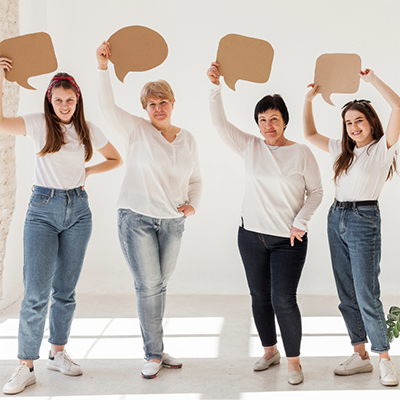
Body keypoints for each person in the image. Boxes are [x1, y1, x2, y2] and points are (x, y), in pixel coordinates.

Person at [0, 58, 122, 395]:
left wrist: (89, 173)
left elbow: (115, 159)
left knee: (65, 291)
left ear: (77, 100)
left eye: (70, 100)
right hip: (42, 210)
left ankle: (57, 352)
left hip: (79, 212)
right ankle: (26, 365)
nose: (64, 106)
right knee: (36, 293)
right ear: (49, 101)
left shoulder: (87, 129)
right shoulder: (38, 124)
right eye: (58, 100)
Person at [207, 62, 323, 385]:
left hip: (288, 240)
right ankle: (270, 350)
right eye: (262, 120)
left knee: (283, 299)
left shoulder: (301, 153)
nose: (268, 125)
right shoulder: (250, 146)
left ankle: (294, 362)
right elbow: (219, 123)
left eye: (273, 118)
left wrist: (301, 222)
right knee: (259, 297)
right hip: (251, 236)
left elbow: (316, 191)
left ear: (284, 120)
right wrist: (215, 87)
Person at [96, 41, 202, 379]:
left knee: (160, 285)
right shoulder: (137, 131)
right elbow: (106, 105)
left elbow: (196, 178)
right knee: (148, 285)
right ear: (145, 108)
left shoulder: (187, 138)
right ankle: (153, 353)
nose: (158, 108)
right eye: (152, 104)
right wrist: (102, 68)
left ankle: (157, 347)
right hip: (136, 218)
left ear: (173, 104)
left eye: (163, 102)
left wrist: (192, 206)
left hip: (173, 223)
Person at [303, 68, 400, 386]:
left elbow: (398, 107)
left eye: (359, 120)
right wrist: (308, 100)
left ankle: (384, 358)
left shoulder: (382, 149)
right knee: (347, 294)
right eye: (348, 123)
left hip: (364, 221)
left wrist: (372, 81)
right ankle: (360, 355)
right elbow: (309, 134)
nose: (354, 127)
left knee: (367, 293)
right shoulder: (342, 152)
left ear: (371, 122)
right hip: (336, 218)